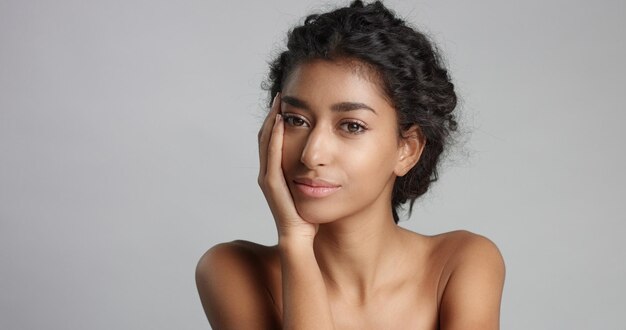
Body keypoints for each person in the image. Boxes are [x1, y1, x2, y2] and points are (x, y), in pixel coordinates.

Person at [196, 1, 505, 329]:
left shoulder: (461, 264)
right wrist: (296, 242)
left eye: (351, 126)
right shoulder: (231, 270)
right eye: (296, 120)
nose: (312, 154)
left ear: (407, 149)